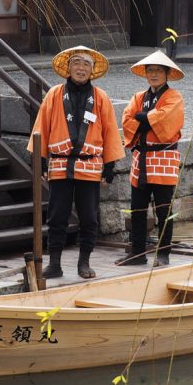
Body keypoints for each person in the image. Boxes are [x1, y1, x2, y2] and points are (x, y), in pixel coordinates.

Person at [28, 46, 125, 279]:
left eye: (86, 64)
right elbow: (41, 127)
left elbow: (111, 131)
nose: (81, 68)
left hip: (90, 165)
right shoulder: (53, 94)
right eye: (76, 63)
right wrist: (40, 161)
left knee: (89, 216)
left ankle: (84, 262)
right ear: (68, 68)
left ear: (92, 70)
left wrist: (109, 168)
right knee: (57, 216)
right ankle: (55, 263)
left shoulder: (101, 97)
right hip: (60, 165)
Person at [118, 51, 185, 267]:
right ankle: (137, 253)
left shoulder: (174, 97)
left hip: (164, 157)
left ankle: (164, 253)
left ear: (167, 74)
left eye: (158, 70)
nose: (153, 74)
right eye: (150, 70)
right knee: (137, 208)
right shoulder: (139, 97)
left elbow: (167, 121)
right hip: (141, 157)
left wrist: (143, 117)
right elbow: (127, 119)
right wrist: (148, 119)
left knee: (164, 209)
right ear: (145, 74)